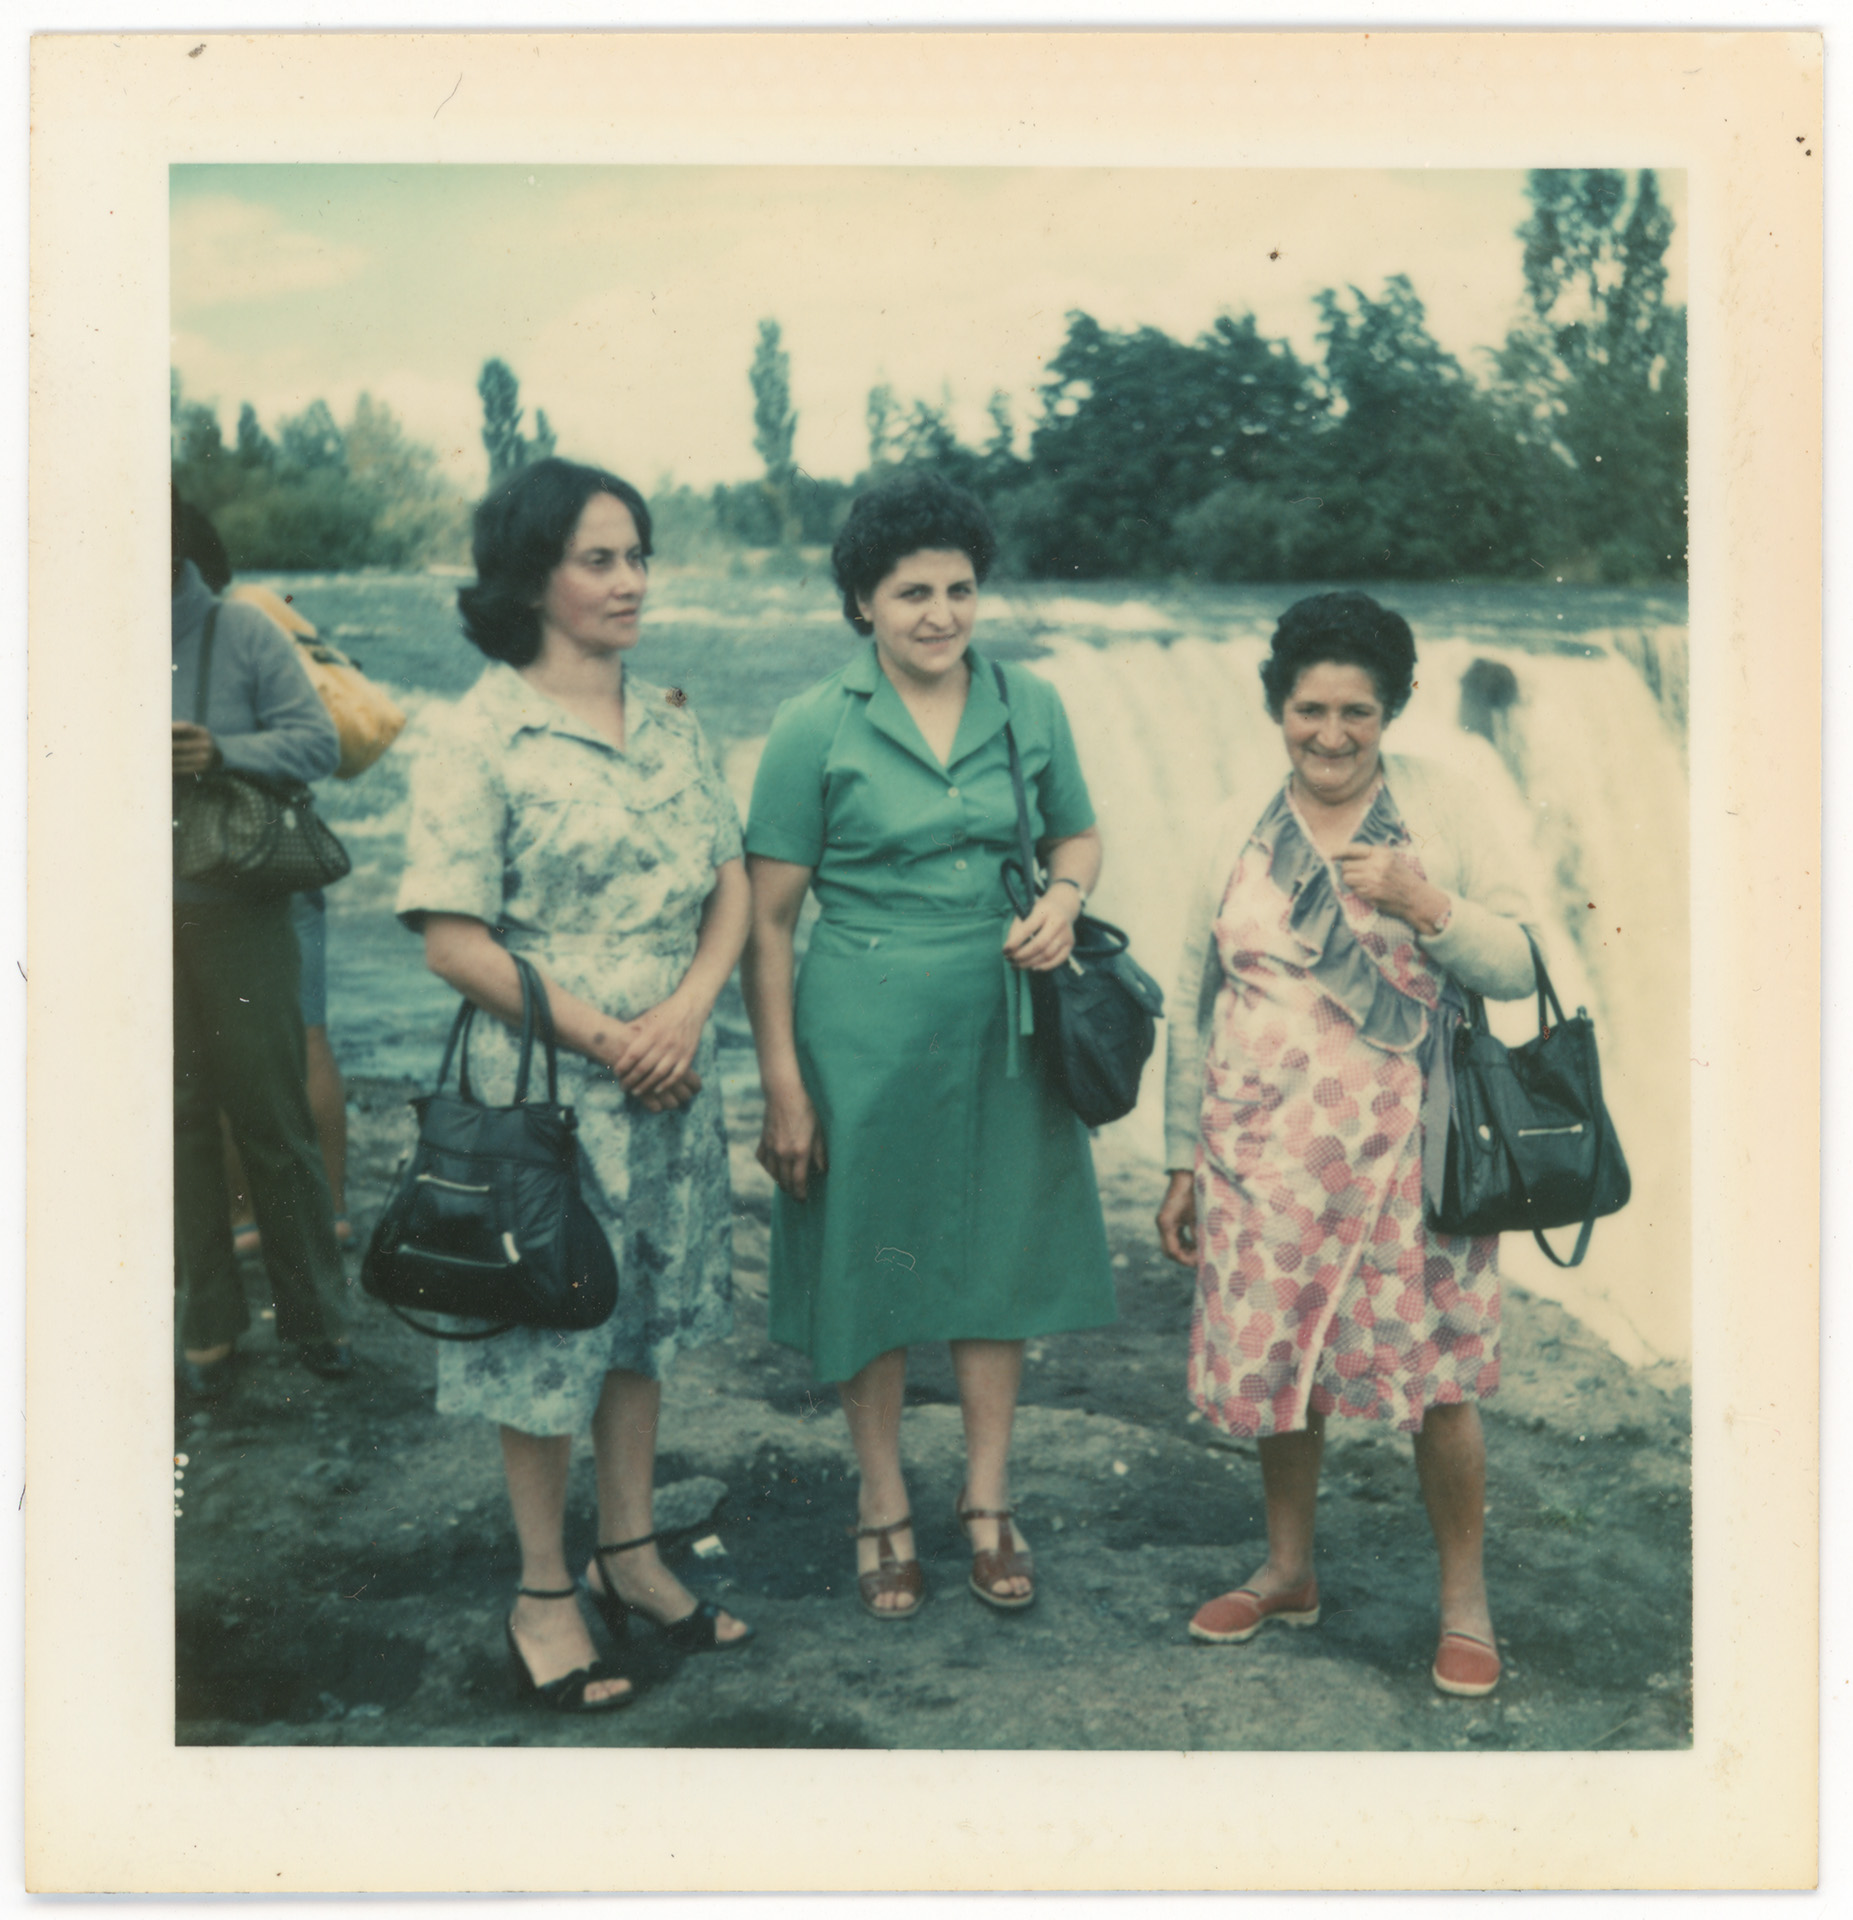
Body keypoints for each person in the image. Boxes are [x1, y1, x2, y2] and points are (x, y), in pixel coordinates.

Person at [397, 457, 752, 1714]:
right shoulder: (473, 733)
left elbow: (730, 885)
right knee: (549, 1335)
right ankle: (544, 1587)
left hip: (670, 1074)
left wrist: (692, 1008)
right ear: (530, 576)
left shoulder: (669, 719)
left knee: (643, 1320)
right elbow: (454, 943)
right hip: (553, 1089)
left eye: (637, 556)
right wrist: (615, 1036)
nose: (628, 582)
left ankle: (632, 1552)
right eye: (597, 559)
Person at [742, 471, 1116, 1619]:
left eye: (958, 589)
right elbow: (766, 919)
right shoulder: (814, 725)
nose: (939, 614)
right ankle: (881, 1503)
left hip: (1006, 1016)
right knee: (875, 1260)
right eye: (910, 593)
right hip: (862, 1026)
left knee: (995, 1256)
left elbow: (1079, 835)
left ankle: (988, 1503)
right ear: (860, 601)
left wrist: (1060, 898)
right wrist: (782, 1087)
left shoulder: (1029, 702)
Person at [1155, 590, 1538, 1699]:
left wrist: (1428, 902)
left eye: (1355, 714)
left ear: (1392, 712)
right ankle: (1286, 1571)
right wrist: (1183, 1157)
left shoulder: (1447, 809)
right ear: (1277, 706)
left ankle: (1463, 1605)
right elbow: (1194, 995)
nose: (1329, 735)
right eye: (1308, 710)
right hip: (1261, 1157)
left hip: (1410, 1163)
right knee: (1286, 1369)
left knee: (1441, 1385)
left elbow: (1515, 961)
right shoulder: (1233, 819)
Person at [172, 489, 353, 1397]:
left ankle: (316, 1318)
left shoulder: (240, 632)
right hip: (126, 915)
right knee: (172, 1124)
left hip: (238, 908)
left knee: (273, 1119)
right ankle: (205, 1321)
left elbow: (316, 744)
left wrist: (221, 752)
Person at [220, 588, 358, 1255]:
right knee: (310, 1037)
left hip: (228, 862)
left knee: (218, 1045)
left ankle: (245, 1219)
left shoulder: (210, 642)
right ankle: (331, 1212)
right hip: (293, 849)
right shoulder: (276, 626)